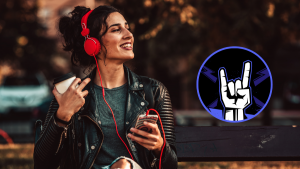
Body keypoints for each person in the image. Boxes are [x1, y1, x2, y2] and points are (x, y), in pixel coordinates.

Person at [34, 5, 177, 169]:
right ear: (93, 44)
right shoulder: (71, 95)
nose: (129, 35)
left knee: (123, 166)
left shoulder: (154, 91)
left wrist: (160, 147)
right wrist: (62, 117)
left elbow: (171, 165)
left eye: (127, 28)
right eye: (116, 30)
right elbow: (41, 164)